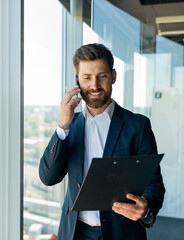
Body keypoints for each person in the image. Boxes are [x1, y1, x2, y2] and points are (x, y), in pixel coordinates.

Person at [39, 43, 165, 240]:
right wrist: (63, 125)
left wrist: (146, 206)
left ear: (113, 76)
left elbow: (154, 183)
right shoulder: (69, 127)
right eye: (87, 78)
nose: (95, 85)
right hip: (75, 233)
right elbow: (48, 177)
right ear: (77, 81)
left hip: (121, 232)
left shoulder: (138, 126)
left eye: (102, 76)